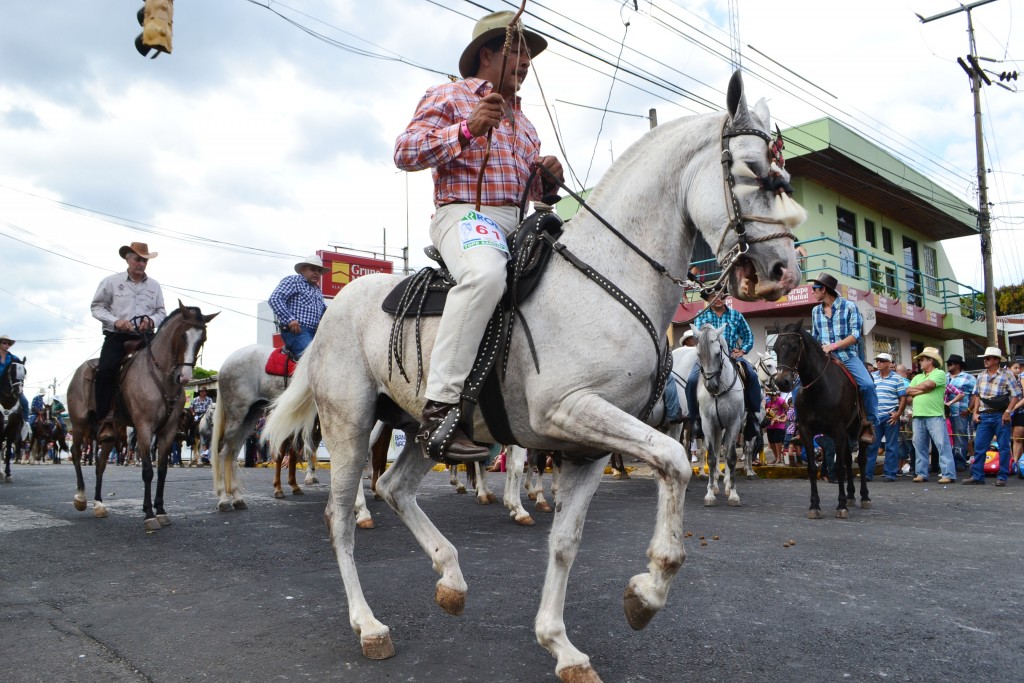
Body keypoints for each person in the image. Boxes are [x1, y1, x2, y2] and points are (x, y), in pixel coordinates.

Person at [394, 10, 564, 461]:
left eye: (529, 54)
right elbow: (405, 152)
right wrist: (467, 129)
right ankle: (440, 410)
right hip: (466, 215)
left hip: (515, 220)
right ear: (487, 55)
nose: (526, 61)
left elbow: (529, 192)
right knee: (486, 276)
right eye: (519, 50)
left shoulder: (525, 124)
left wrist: (546, 180)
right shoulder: (448, 94)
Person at [91, 242, 167, 441]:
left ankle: (172, 418)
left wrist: (150, 320)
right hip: (118, 337)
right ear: (127, 259)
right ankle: (105, 419)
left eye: (144, 260)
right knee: (106, 370)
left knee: (168, 367)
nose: (141, 263)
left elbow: (161, 312)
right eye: (137, 259)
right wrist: (116, 321)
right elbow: (97, 307)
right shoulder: (111, 282)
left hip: (145, 338)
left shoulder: (154, 285)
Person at [685, 287, 762, 439]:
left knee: (752, 375)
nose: (718, 298)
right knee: (692, 379)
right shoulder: (701, 315)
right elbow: (697, 336)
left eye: (720, 295)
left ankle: (752, 416)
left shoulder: (736, 315)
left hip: (732, 355)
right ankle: (695, 419)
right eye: (714, 296)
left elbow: (748, 336)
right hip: (709, 359)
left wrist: (743, 350)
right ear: (708, 299)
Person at [808, 272, 877, 441]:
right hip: (824, 360)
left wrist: (834, 346)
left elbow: (855, 336)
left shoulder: (850, 307)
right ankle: (801, 426)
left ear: (823, 289)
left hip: (847, 357)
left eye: (814, 289)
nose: (812, 292)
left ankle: (869, 422)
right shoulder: (815, 311)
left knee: (868, 385)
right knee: (798, 387)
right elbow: (815, 337)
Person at [965, 346, 1023, 486]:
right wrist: (975, 412)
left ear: (996, 360)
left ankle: (1002, 476)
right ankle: (977, 476)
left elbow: (1016, 395)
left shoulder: (1007, 375)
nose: (985, 360)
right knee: (979, 447)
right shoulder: (981, 375)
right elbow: (977, 395)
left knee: (1003, 447)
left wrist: (1008, 412)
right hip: (985, 415)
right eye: (985, 358)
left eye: (988, 358)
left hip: (1000, 415)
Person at [905, 347, 956, 484]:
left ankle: (948, 473)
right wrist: (924, 390)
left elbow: (929, 385)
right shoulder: (918, 376)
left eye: (922, 359)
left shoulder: (939, 373)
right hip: (918, 415)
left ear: (931, 361)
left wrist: (920, 389)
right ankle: (921, 473)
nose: (920, 362)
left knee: (941, 444)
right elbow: (908, 391)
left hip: (935, 415)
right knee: (919, 445)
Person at [268, 255, 328, 360]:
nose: (317, 273)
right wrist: (290, 319)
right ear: (303, 269)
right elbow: (275, 299)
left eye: (319, 270)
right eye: (313, 269)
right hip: (297, 331)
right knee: (311, 358)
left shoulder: (317, 290)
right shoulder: (293, 281)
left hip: (316, 333)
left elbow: (323, 311)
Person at [868, 353, 907, 482]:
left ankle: (890, 473)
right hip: (875, 416)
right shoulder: (872, 377)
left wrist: (898, 414)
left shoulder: (897, 379)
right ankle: (867, 474)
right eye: (877, 360)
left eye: (882, 361)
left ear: (889, 363)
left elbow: (903, 398)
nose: (878, 363)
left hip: (890, 416)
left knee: (891, 445)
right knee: (872, 445)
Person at [945, 354, 975, 472]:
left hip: (960, 411)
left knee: (960, 437)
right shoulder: (944, 377)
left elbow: (975, 395)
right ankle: (948, 462)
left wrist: (969, 409)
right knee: (946, 437)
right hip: (945, 412)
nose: (948, 366)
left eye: (950, 364)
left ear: (957, 365)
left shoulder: (969, 378)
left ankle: (959, 462)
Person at [0, 334, 31, 423]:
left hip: (11, 387)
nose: (6, 345)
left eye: (8, 344)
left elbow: (21, 370)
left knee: (25, 403)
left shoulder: (14, 358)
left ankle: (26, 425)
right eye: (4, 343)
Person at [763, 392, 787, 465]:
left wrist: (779, 417)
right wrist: (765, 408)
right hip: (770, 424)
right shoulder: (767, 401)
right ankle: (776, 457)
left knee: (777, 441)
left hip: (779, 423)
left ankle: (779, 458)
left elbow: (786, 410)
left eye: (774, 396)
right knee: (772, 441)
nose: (773, 397)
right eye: (771, 396)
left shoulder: (780, 400)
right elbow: (763, 411)